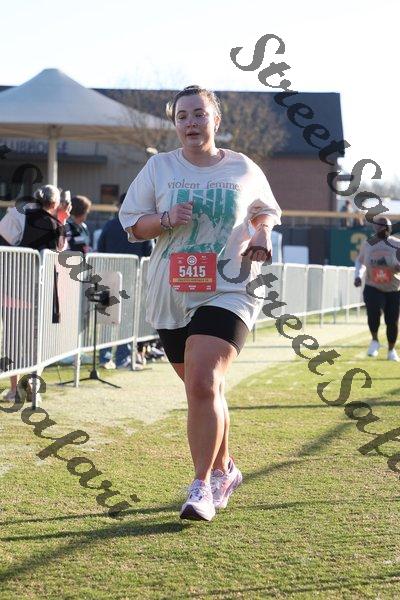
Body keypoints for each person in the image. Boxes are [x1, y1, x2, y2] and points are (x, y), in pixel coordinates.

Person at [119, 85, 281, 521]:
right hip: (173, 289)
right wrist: (165, 219)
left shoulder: (242, 167)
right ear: (175, 123)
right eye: (182, 116)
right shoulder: (159, 167)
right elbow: (132, 224)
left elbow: (266, 210)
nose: (191, 122)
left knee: (204, 381)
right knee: (201, 388)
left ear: (215, 120)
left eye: (199, 114)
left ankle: (202, 487)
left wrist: (263, 232)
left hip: (230, 285)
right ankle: (226, 470)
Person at [0, 184, 71, 401]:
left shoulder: (18, 215)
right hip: (42, 293)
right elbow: (61, 252)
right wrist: (62, 220)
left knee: (13, 340)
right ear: (55, 203)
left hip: (14, 291)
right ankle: (33, 385)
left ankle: (15, 389)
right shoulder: (57, 225)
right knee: (36, 340)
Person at [97, 192, 153, 369]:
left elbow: (100, 248)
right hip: (130, 278)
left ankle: (105, 358)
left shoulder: (109, 225)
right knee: (126, 319)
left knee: (107, 318)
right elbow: (149, 253)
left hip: (109, 276)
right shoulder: (140, 226)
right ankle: (122, 358)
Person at [354, 216, 400, 361]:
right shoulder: (368, 244)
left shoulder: (397, 244)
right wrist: (358, 276)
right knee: (373, 313)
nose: (382, 229)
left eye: (385, 226)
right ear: (375, 227)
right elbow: (360, 261)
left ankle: (391, 350)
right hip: (373, 286)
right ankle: (375, 341)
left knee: (392, 320)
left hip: (393, 288)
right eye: (380, 226)